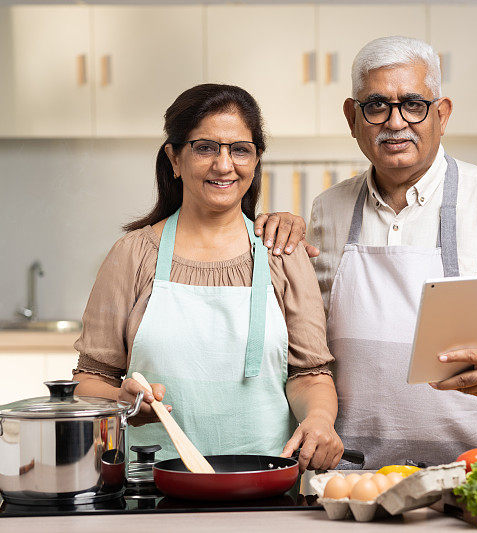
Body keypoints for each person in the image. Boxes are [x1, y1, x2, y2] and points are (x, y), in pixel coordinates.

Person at [255, 36, 477, 467]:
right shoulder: (327, 209)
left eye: (413, 104)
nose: (395, 122)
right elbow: (301, 344)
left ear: (441, 114)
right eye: (376, 106)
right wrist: (277, 241)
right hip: (351, 472)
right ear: (353, 118)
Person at [72, 84, 343, 472]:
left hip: (264, 480)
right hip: (150, 487)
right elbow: (89, 379)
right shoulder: (132, 254)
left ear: (255, 160)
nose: (223, 164)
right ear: (174, 158)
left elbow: (309, 375)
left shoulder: (282, 253)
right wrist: (122, 400)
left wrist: (318, 419)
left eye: (240, 149)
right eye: (204, 147)